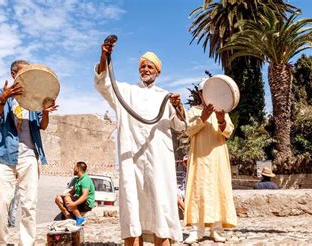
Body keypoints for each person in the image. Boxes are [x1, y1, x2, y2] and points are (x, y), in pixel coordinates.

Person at [95, 41, 186, 245]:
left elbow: (180, 126)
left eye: (150, 66)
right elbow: (103, 83)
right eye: (143, 66)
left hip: (159, 161)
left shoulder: (166, 96)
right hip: (132, 160)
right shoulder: (125, 92)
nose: (146, 69)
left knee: (161, 207)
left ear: (158, 72)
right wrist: (104, 58)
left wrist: (179, 107)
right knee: (131, 205)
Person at [0, 59, 58, 245]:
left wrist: (46, 111)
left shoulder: (34, 97)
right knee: (1, 204)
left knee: (29, 205)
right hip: (5, 156)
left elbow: (42, 126)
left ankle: (27, 243)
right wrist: (3, 100)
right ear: (14, 74)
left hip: (29, 157)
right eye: (24, 71)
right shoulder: (1, 94)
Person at [183, 80, 238, 244]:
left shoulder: (223, 111)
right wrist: (203, 118)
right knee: (197, 190)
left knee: (218, 189)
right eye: (203, 92)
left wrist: (221, 120)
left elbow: (228, 132)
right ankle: (196, 230)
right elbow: (189, 130)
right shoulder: (193, 111)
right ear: (200, 94)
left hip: (217, 158)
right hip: (199, 158)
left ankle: (216, 229)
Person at [55, 161, 95, 226]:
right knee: (58, 198)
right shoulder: (78, 179)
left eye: (74, 167)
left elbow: (85, 196)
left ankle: (80, 218)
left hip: (87, 203)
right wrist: (61, 196)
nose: (73, 169)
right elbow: (72, 192)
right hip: (79, 201)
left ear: (78, 169)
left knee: (67, 199)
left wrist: (73, 204)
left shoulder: (85, 179)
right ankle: (69, 218)